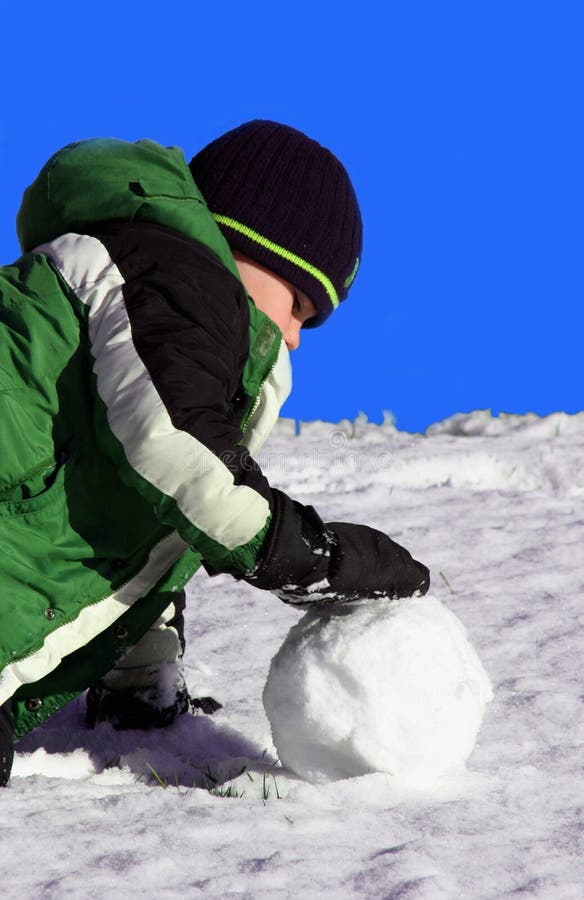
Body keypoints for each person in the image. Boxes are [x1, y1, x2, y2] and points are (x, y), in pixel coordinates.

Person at [0, 120, 430, 787]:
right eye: (300, 303)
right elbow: (177, 450)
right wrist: (308, 553)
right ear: (252, 248)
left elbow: (140, 513)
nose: (292, 337)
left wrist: (138, 679)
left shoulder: (156, 318)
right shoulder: (175, 275)